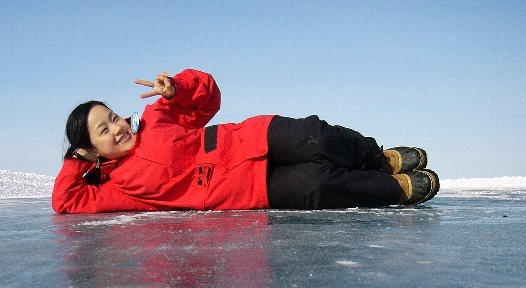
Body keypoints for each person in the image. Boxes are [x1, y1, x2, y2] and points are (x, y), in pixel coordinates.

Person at [52, 69, 439, 214]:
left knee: (316, 136)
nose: (118, 128)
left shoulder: (156, 116)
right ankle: (393, 188)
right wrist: (78, 161)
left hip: (252, 137)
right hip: (244, 188)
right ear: (91, 150)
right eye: (103, 130)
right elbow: (65, 201)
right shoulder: (121, 188)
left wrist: (178, 89)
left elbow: (210, 97)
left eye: (113, 117)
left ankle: (378, 158)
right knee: (315, 186)